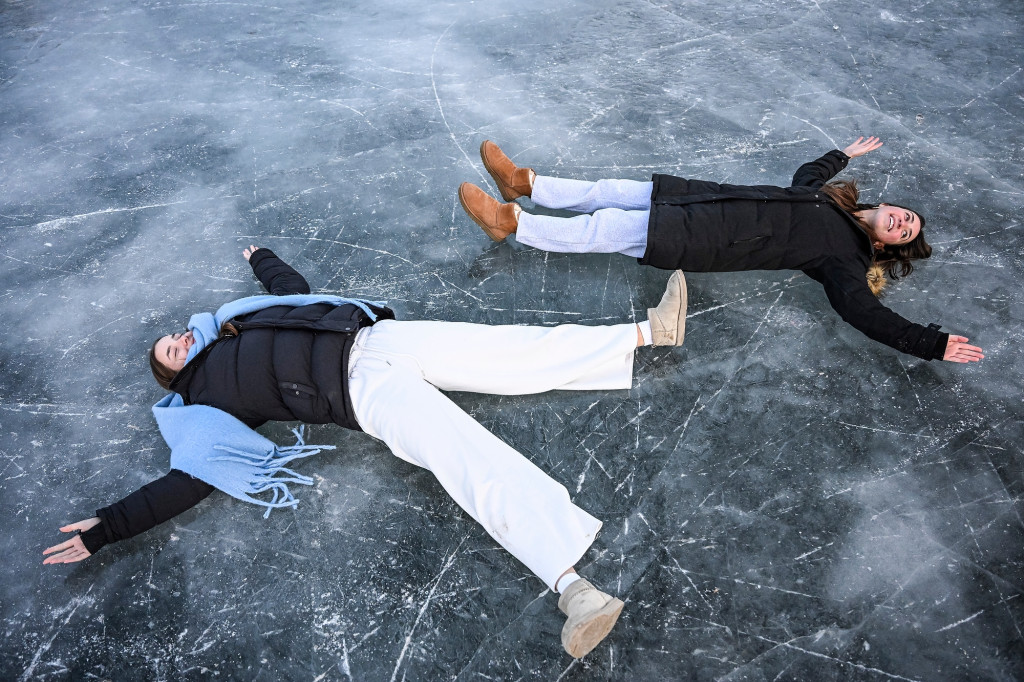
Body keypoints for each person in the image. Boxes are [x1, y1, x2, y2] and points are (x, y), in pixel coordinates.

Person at [43, 245, 690, 659]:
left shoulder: (236, 322)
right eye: (168, 350)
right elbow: (188, 481)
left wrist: (263, 260)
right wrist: (107, 529)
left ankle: (647, 333)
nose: (178, 340)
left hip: (380, 338)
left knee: (507, 348)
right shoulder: (203, 406)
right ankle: (573, 587)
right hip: (359, 393)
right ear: (169, 374)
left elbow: (294, 296)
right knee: (466, 456)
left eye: (175, 335)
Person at [457, 138, 985, 364]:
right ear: (888, 205)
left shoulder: (844, 258)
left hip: (708, 238)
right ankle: (527, 185)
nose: (902, 222)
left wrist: (930, 343)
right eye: (906, 215)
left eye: (905, 232)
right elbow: (806, 178)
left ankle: (512, 225)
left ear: (888, 245)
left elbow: (864, 312)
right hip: (699, 197)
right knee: (608, 190)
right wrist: (840, 155)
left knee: (606, 228)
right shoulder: (831, 203)